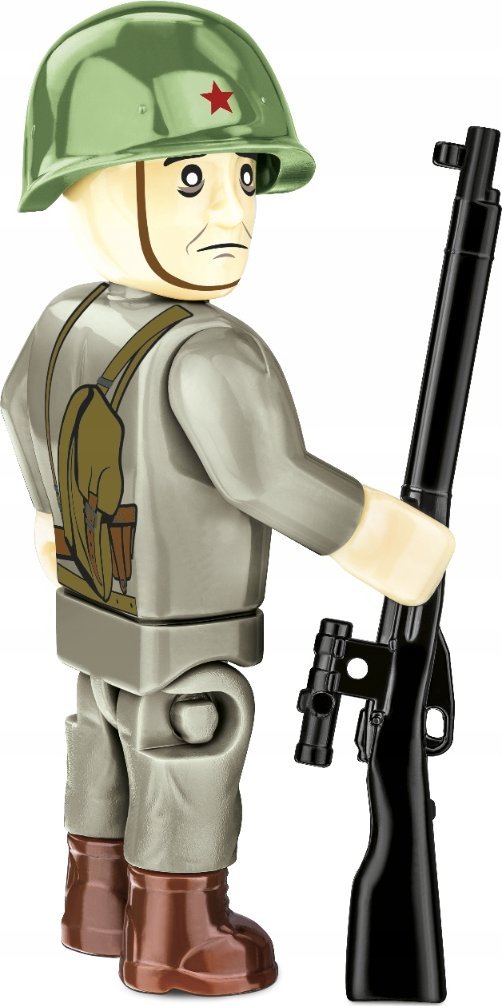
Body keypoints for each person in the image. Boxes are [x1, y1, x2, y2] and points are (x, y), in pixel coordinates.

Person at [1, 2, 454, 996]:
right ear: (86, 185)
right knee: (192, 741)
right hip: (182, 631)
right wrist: (392, 544)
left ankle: (95, 904)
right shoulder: (210, 350)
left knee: (101, 732)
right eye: (189, 180)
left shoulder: (64, 316)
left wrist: (49, 521)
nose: (233, 214)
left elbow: (22, 406)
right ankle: (177, 931)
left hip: (97, 609)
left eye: (243, 178)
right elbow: (271, 478)